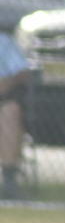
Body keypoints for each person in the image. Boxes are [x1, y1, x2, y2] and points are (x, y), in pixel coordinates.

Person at [0, 32, 30, 200]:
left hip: (2, 103)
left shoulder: (4, 43)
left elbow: (24, 73)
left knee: (11, 110)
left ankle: (9, 183)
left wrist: (7, 82)